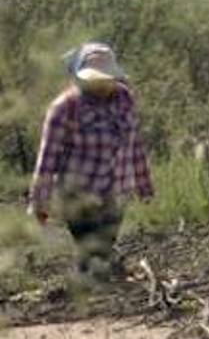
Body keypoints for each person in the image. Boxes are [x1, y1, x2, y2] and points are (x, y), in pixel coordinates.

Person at [28, 42, 154, 280]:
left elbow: (134, 143)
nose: (102, 85)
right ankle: (93, 296)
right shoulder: (64, 108)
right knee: (92, 250)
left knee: (102, 248)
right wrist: (40, 201)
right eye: (95, 79)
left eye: (106, 78)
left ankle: (100, 293)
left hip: (117, 191)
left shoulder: (124, 99)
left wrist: (144, 184)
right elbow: (48, 157)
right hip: (78, 194)